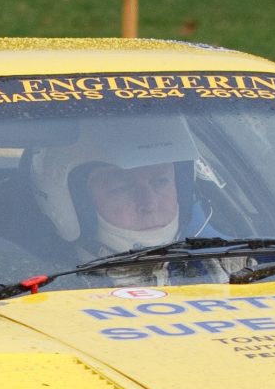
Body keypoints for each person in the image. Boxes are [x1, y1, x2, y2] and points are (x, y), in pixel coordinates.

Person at [26, 117, 212, 281]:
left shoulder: (228, 262)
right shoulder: (35, 290)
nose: (150, 204)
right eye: (122, 188)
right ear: (71, 203)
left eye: (160, 181)